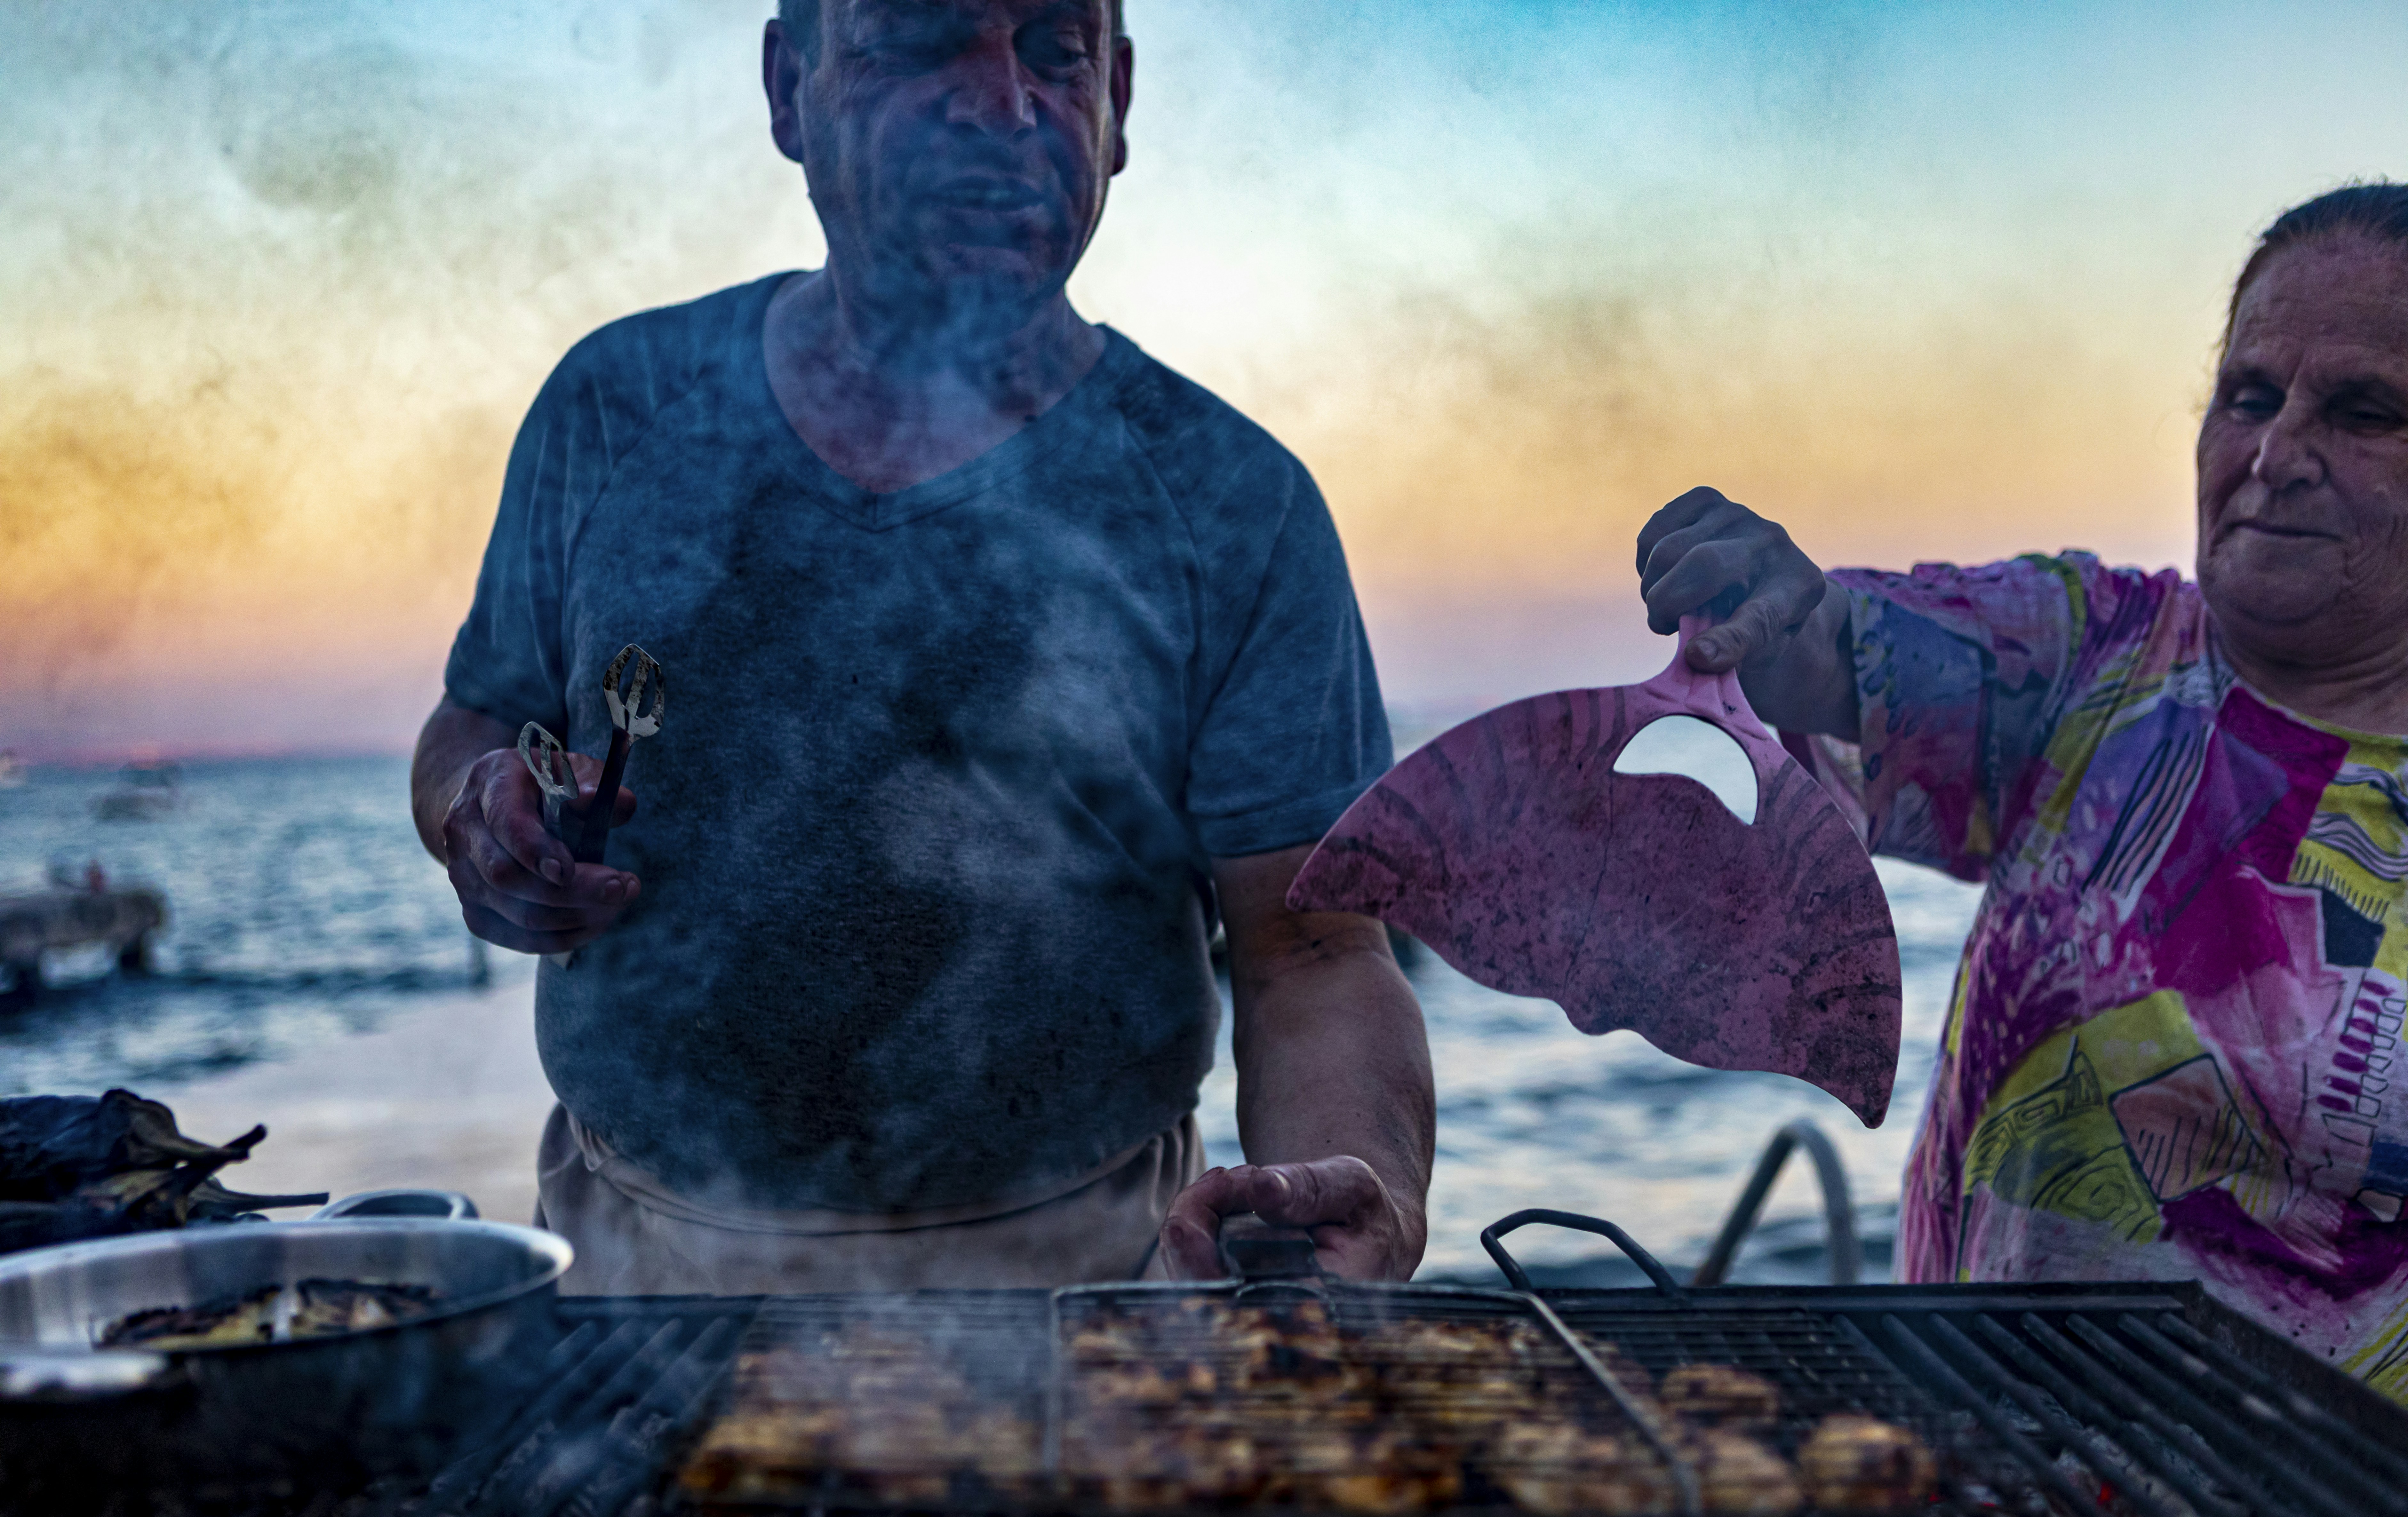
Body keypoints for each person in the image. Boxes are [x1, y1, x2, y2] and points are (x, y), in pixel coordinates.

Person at [410, 0, 1432, 1294]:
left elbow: (1317, 952)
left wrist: (1362, 1184)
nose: (1002, 106)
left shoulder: (1231, 500)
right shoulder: (616, 408)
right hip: (640, 1273)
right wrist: (476, 814)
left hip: (1082, 1285)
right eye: (916, 39)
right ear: (792, 87)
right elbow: (478, 716)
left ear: (1117, 100)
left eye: (1056, 52)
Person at [1636, 183, 2408, 1398]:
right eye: (2248, 396)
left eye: (2365, 412)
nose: (2273, 455)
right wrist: (1770, 603)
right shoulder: (2098, 652)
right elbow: (1839, 647)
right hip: (1984, 1502)